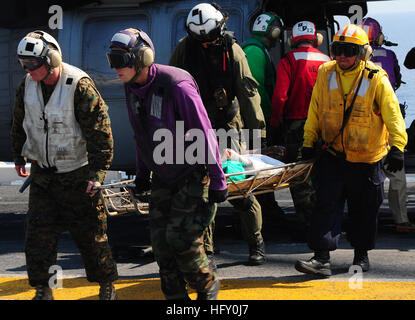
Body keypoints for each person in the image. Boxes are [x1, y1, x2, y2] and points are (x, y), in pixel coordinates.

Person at [106, 28, 227, 300]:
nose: (116, 69)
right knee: (160, 244)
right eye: (112, 61)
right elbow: (141, 133)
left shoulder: (177, 85)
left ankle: (206, 286)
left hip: (192, 171)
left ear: (142, 58)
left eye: (120, 61)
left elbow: (204, 132)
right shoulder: (132, 88)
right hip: (163, 173)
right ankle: (175, 298)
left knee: (180, 238)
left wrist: (218, 180)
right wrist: (141, 173)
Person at [11, 30, 118, 299]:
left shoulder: (78, 85)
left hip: (78, 176)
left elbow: (100, 132)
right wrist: (18, 155)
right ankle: (43, 290)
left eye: (33, 63)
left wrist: (98, 173)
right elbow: (19, 121)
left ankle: (106, 287)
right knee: (38, 238)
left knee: (93, 237)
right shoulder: (27, 85)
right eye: (24, 64)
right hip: (43, 178)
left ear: (51, 59)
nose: (28, 69)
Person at [294, 24, 407, 276]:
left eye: (349, 51)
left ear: (363, 52)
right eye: (337, 50)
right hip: (334, 155)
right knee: (326, 205)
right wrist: (308, 141)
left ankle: (361, 255)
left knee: (365, 210)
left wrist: (398, 146)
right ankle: (321, 258)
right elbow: (315, 109)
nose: (342, 56)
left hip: (368, 158)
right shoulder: (326, 73)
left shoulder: (376, 78)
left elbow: (393, 115)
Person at [169, 2, 267, 265]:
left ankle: (256, 241)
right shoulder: (184, 50)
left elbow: (248, 94)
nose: (204, 44)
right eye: (198, 38)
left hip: (228, 125)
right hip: (196, 127)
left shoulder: (232, 51)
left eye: (209, 38)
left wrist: (257, 135)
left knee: (241, 189)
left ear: (219, 30)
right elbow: (169, 88)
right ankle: (207, 251)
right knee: (203, 190)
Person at [269, 21, 331, 233]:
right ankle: (325, 223)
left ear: (292, 40)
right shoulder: (327, 61)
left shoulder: (288, 60)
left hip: (296, 126)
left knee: (300, 175)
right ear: (315, 39)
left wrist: (275, 124)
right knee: (323, 174)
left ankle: (307, 225)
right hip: (324, 125)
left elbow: (279, 96)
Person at [361, 17, 415, 232]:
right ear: (378, 36)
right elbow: (396, 79)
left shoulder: (352, 59)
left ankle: (363, 218)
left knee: (361, 173)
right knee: (397, 172)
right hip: (388, 119)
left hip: (362, 122)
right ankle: (401, 220)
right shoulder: (389, 55)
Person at [241, 12, 283, 144]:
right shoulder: (255, 50)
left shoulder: (259, 49)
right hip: (255, 119)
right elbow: (256, 89)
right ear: (274, 32)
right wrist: (267, 117)